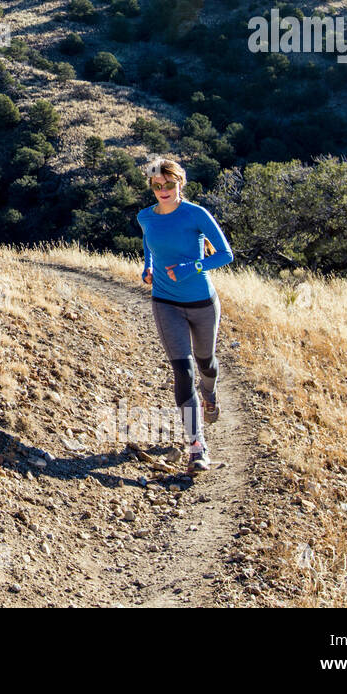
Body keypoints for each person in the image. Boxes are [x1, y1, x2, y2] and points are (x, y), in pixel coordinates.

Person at [136, 157, 233, 471]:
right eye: (157, 186)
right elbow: (149, 244)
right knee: (183, 372)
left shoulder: (196, 214)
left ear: (181, 184)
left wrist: (191, 267)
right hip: (164, 302)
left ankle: (211, 393)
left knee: (206, 363)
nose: (164, 191)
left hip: (202, 302)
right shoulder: (145, 217)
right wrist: (148, 267)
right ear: (152, 187)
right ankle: (196, 446)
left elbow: (225, 254)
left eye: (170, 185)